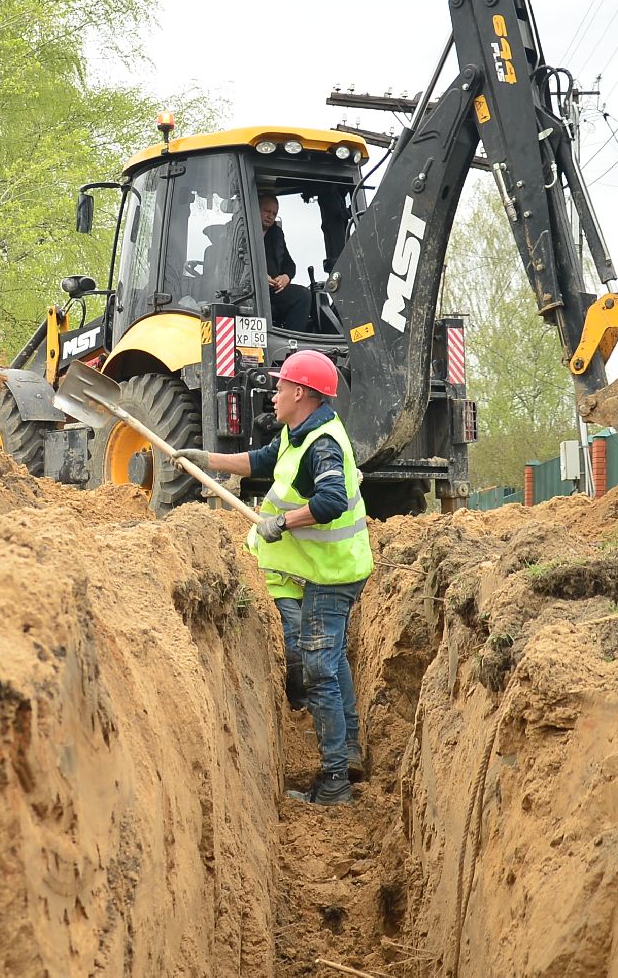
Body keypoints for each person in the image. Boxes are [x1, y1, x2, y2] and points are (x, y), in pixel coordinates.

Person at [175, 350, 372, 804]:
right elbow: (262, 461)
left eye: (280, 386)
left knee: (320, 668)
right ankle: (352, 750)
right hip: (332, 567)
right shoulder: (296, 432)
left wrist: (280, 524)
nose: (274, 393)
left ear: (300, 393)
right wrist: (208, 459)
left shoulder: (322, 442)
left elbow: (332, 502)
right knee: (333, 659)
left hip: (332, 572)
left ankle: (335, 783)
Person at [259, 194, 314, 332]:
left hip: (274, 291)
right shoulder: (240, 232)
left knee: (303, 295)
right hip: (250, 293)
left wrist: (285, 277)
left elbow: (290, 264)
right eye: (266, 211)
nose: (270, 216)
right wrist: (258, 277)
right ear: (256, 209)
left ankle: (293, 341)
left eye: (274, 213)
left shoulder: (276, 234)